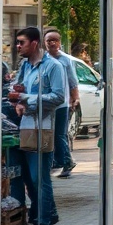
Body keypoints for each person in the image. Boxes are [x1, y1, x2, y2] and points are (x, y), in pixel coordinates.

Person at [9, 26, 65, 225]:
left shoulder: (53, 66)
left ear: (34, 43)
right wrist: (17, 98)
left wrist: (27, 100)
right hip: (26, 125)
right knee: (29, 178)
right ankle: (45, 217)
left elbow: (58, 97)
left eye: (21, 42)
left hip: (43, 127)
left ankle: (43, 224)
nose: (18, 46)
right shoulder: (25, 65)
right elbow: (21, 87)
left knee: (39, 178)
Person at [43, 28, 79, 179]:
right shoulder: (42, 59)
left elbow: (73, 81)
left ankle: (66, 161)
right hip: (46, 103)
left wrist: (75, 98)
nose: (52, 43)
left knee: (59, 135)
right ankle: (61, 161)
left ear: (59, 42)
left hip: (62, 104)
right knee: (50, 134)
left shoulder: (65, 60)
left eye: (54, 40)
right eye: (48, 40)